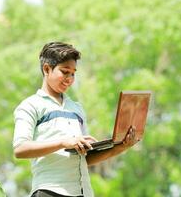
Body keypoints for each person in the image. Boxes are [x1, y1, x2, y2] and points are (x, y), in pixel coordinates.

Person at [13, 42, 138, 197]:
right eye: (65, 72)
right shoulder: (30, 105)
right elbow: (20, 149)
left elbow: (85, 159)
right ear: (46, 69)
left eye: (73, 73)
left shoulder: (76, 108)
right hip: (49, 191)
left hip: (83, 193)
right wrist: (64, 142)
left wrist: (121, 147)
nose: (70, 79)